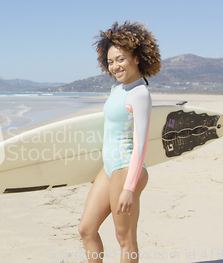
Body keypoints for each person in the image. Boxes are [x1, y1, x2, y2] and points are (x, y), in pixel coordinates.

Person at [78, 21, 161, 263]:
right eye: (111, 61)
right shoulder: (118, 90)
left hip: (127, 170)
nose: (115, 66)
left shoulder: (140, 94)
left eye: (121, 59)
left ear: (136, 58)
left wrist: (129, 188)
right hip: (110, 168)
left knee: (125, 240)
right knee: (86, 228)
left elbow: (141, 144)